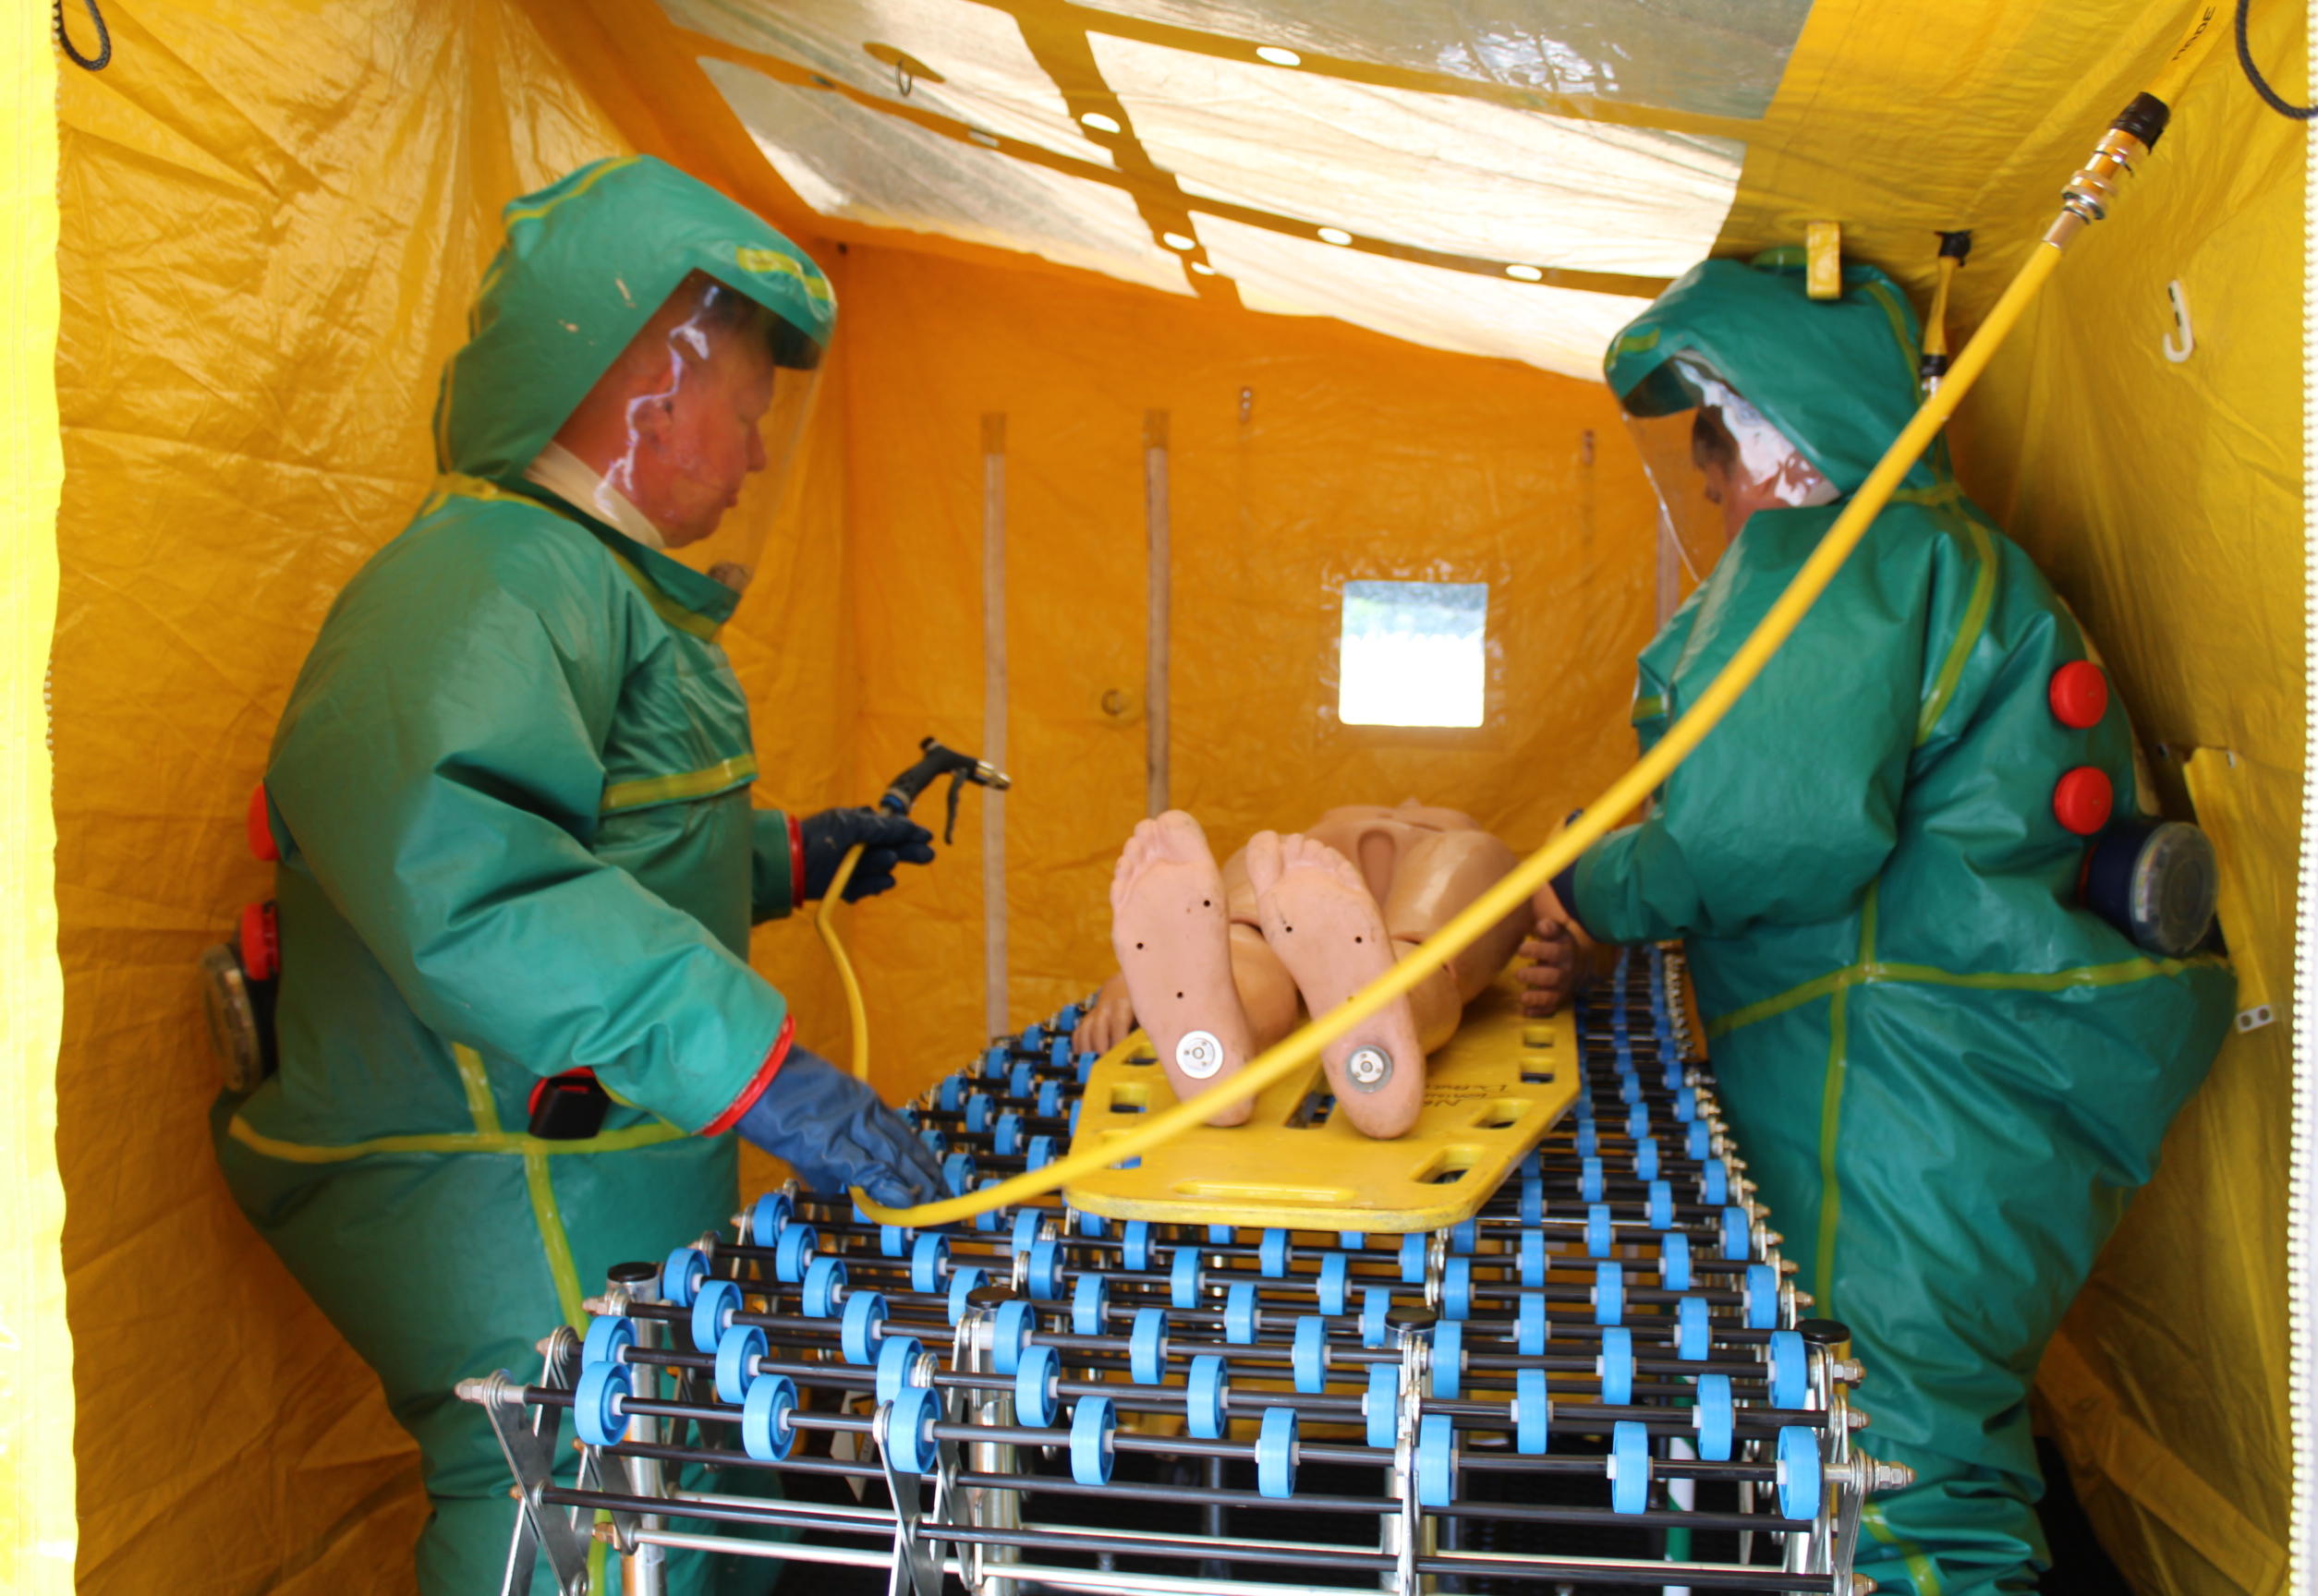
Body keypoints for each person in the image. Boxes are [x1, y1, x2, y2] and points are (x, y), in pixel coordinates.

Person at [213, 156, 944, 1596]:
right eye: (744, 417)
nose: (751, 461)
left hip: (580, 1161)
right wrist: (764, 1069)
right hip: (490, 1173)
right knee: (575, 1492)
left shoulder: (584, 584)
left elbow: (606, 844)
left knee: (671, 1479)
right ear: (650, 400)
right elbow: (475, 884)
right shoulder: (486, 577)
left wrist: (794, 856)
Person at [1541, 255, 2233, 1595]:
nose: (1717, 518)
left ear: (1776, 449)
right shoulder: (1942, 561)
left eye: (1717, 478)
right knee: (1856, 1440)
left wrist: (1578, 892)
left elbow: (1765, 829)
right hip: (1968, 1094)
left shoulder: (1855, 564)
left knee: (1894, 1468)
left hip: (1908, 1106)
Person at [1073, 804, 1534, 1137]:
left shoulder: (1327, 827)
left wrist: (1125, 987)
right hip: (1329, 865)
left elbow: (1563, 918)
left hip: (1313, 856)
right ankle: (1379, 1026)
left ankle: (1214, 1046)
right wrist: (1569, 943)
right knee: (1425, 947)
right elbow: (1559, 909)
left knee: (1246, 940)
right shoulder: (1450, 825)